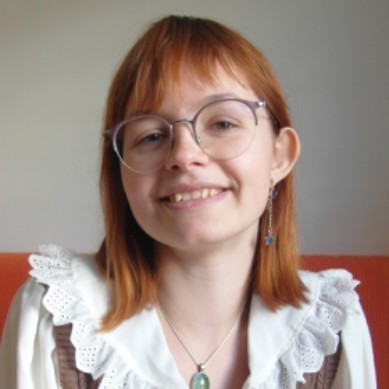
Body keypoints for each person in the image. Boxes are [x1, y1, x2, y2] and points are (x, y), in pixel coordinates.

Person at [0, 15, 376, 389]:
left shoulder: (334, 326)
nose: (184, 154)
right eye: (150, 136)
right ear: (120, 171)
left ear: (279, 156)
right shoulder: (51, 318)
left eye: (223, 124)